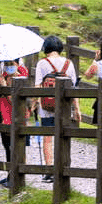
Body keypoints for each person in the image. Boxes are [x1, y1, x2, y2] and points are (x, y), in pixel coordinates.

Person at [31, 34, 76, 184]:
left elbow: (38, 86)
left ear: (46, 48)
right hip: (64, 107)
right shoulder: (69, 63)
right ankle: (63, 168)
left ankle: (49, 170)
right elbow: (73, 87)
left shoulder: (42, 63)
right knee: (63, 137)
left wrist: (34, 103)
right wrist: (76, 109)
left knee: (48, 139)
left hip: (46, 108)